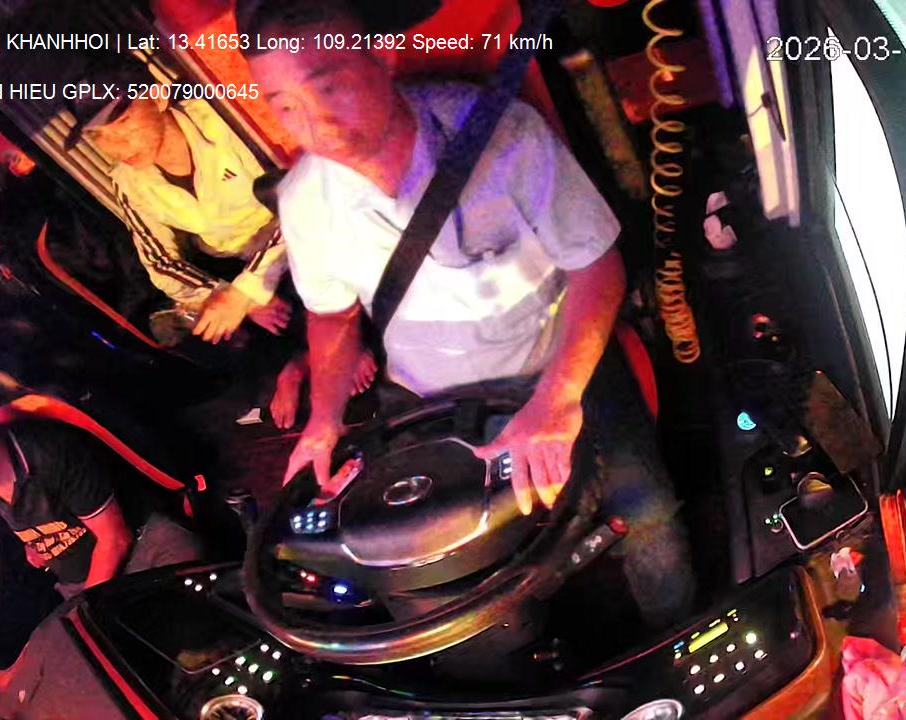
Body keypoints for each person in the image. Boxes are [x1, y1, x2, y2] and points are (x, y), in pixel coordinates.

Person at [236, 0, 694, 627]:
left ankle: (673, 629)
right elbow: (333, 316)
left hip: (555, 366)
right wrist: (324, 420)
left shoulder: (503, 137)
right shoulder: (304, 198)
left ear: (381, 57)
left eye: (329, 87)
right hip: (429, 401)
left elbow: (597, 266)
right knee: (437, 576)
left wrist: (556, 401)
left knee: (648, 518)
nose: (316, 125)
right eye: (285, 106)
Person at [68, 72, 291, 346]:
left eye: (123, 122)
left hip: (294, 238)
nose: (116, 146)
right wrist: (228, 297)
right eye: (98, 136)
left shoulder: (223, 122)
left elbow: (304, 202)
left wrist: (247, 291)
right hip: (232, 263)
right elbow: (159, 262)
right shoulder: (129, 182)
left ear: (158, 98)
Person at [0, 387, 204, 597]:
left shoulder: (51, 454)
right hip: (78, 583)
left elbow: (115, 538)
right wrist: (42, 546)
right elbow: (46, 518)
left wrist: (87, 610)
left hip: (145, 549)